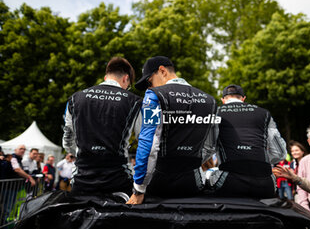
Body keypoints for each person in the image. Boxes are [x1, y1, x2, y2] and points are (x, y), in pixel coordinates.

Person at [127, 56, 218, 204]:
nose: (149, 88)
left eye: (150, 82)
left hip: (160, 184)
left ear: (162, 71)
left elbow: (149, 145)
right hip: (193, 183)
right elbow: (211, 146)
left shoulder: (154, 96)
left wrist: (139, 189)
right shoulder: (209, 100)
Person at [62, 57, 142, 196]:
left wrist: (87, 154)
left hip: (82, 178)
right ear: (125, 79)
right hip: (118, 179)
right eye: (128, 86)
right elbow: (145, 141)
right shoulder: (134, 102)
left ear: (106, 77)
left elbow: (68, 141)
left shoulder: (75, 99)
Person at [208, 84, 287, 198]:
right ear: (243, 99)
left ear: (223, 100)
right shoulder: (264, 113)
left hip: (229, 181)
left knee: (207, 176)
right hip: (265, 184)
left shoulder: (215, 113)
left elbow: (207, 149)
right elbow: (280, 153)